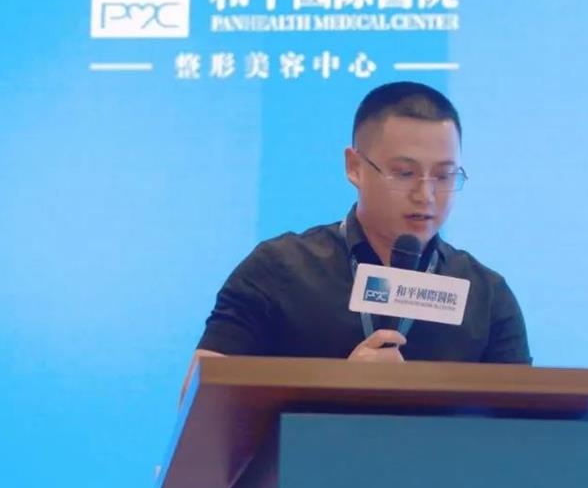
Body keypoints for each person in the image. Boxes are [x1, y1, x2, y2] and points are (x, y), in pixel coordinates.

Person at [179, 81, 531, 404]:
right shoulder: (278, 270)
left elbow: (523, 430)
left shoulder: (485, 295)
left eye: (444, 175)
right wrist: (335, 388)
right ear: (355, 167)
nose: (425, 195)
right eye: (404, 173)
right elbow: (199, 405)